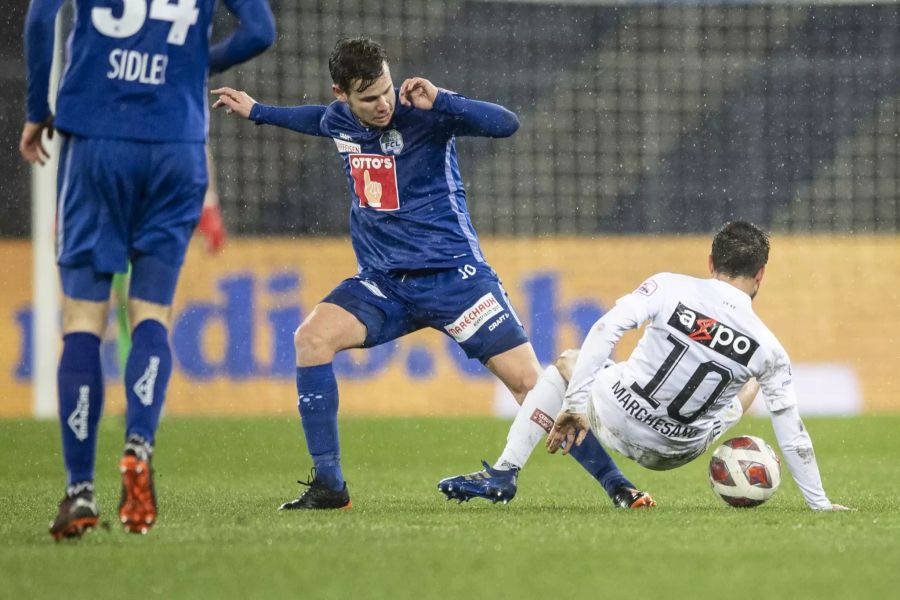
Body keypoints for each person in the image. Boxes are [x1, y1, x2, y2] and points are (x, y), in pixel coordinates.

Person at [212, 37, 650, 511]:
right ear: (341, 94)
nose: (382, 104)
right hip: (383, 284)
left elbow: (507, 124)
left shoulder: (423, 111)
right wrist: (258, 110)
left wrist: (443, 99)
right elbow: (313, 120)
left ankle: (619, 487)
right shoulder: (336, 118)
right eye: (367, 98)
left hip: (455, 280)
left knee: (530, 384)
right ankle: (330, 486)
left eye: (385, 89)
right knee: (310, 339)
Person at [21, 0, 276, 540]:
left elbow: (42, 18)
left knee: (84, 318)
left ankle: (80, 490)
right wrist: (192, 62)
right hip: (177, 145)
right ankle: (139, 446)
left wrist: (35, 109)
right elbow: (260, 31)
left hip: (97, 139)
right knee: (151, 312)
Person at [441, 221, 849, 511]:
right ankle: (622, 488)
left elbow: (606, 328)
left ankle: (505, 471)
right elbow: (793, 434)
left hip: (617, 412)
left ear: (710, 262)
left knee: (566, 363)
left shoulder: (671, 285)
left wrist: (578, 402)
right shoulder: (769, 346)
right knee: (752, 384)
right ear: (761, 274)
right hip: (676, 450)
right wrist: (820, 504)